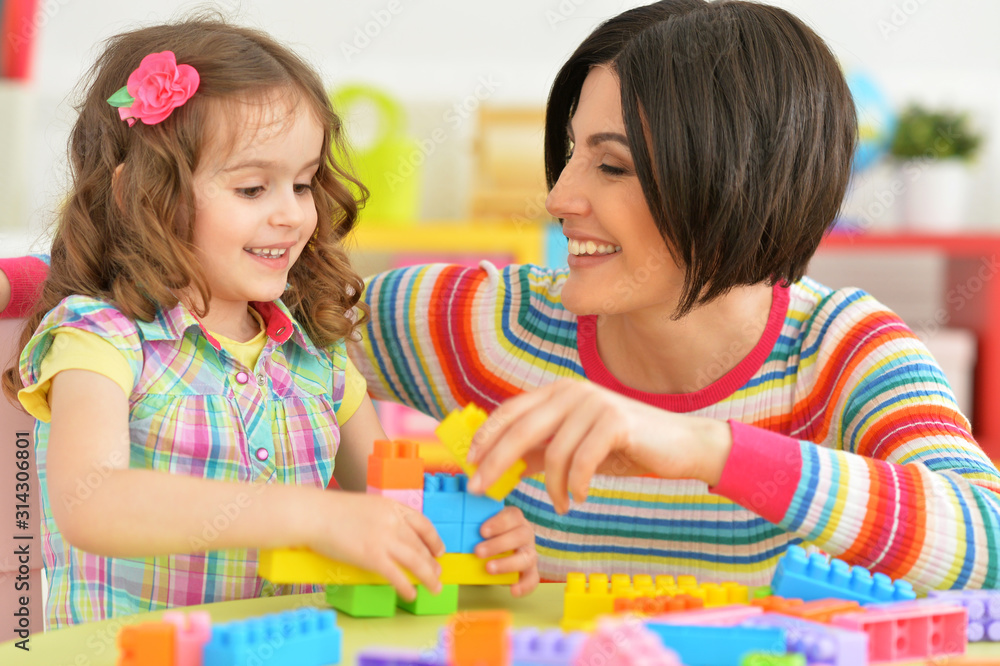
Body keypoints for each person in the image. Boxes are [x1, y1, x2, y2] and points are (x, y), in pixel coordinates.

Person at [4, 0, 999, 594]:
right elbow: (251, 345)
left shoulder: (847, 354)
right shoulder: (480, 324)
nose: (561, 198)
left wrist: (700, 449)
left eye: (610, 167)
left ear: (726, 182)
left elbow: (985, 544)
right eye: (569, 155)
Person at [0, 18, 538, 628]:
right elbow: (89, 501)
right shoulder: (100, 339)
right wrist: (311, 515)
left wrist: (476, 535)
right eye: (253, 188)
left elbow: (393, 501)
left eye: (303, 184)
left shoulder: (316, 355)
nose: (292, 214)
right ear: (141, 195)